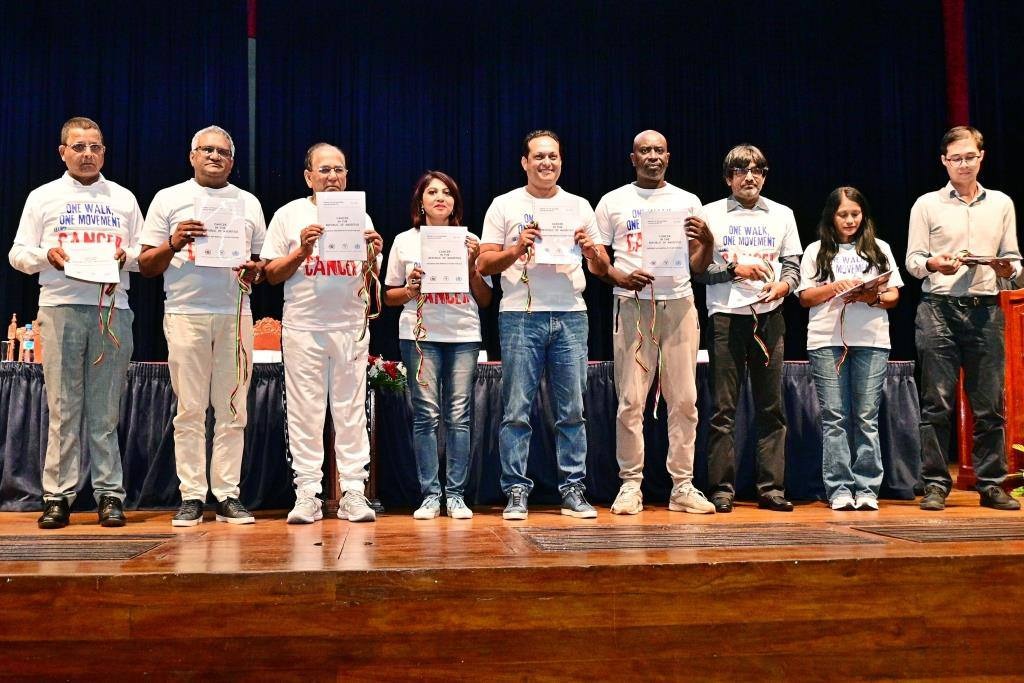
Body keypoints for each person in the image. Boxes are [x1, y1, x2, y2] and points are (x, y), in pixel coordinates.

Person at [9, 116, 142, 529]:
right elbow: (17, 254)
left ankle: (109, 494)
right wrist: (45, 256)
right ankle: (58, 497)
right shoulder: (43, 197)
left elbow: (144, 253)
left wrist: (127, 257)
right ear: (62, 152)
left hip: (111, 310)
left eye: (95, 147)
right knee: (63, 409)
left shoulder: (123, 198)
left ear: (104, 152)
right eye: (79, 147)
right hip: (60, 308)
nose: (87, 154)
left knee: (106, 412)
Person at [138, 125, 267, 526]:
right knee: (190, 410)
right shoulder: (169, 198)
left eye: (222, 152)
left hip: (235, 313)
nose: (214, 156)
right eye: (207, 150)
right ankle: (192, 495)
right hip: (184, 313)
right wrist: (174, 242)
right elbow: (146, 265)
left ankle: (227, 494)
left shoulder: (248, 203)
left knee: (233, 408)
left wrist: (254, 271)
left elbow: (261, 265)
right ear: (192, 156)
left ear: (232, 161)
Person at [478, 129, 610, 520]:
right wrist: (517, 249)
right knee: (517, 410)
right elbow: (484, 263)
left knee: (572, 410)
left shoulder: (579, 206)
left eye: (553, 156)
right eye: (538, 156)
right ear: (525, 162)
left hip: (571, 314)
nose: (546, 163)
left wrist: (591, 251)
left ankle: (573, 490)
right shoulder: (504, 205)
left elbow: (601, 267)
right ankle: (516, 490)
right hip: (520, 315)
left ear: (561, 161)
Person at [593, 130, 715, 515]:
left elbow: (699, 266)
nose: (652, 156)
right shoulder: (613, 201)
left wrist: (708, 242)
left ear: (668, 156)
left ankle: (682, 486)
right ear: (633, 158)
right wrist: (618, 276)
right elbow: (597, 262)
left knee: (686, 400)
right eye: (644, 150)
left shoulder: (687, 201)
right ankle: (631, 484)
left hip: (679, 304)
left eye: (659, 150)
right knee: (631, 400)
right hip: (632, 304)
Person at [261, 142, 382, 524]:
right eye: (324, 170)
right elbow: (270, 273)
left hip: (349, 327)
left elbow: (368, 278)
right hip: (304, 327)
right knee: (305, 413)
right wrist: (302, 251)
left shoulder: (360, 215)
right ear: (308, 176)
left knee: (351, 413)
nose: (332, 176)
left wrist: (373, 256)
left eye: (339, 170)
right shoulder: (288, 215)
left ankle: (353, 492)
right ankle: (308, 494)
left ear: (346, 176)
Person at [906, 125, 1021, 511]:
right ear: (944, 161)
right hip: (938, 308)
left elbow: (1015, 262)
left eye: (970, 156)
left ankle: (991, 484)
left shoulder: (1001, 203)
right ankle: (936, 484)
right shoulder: (927, 204)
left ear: (981, 157)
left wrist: (1008, 269)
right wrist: (934, 264)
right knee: (936, 402)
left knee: (989, 404)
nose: (964, 164)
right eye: (956, 158)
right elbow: (913, 262)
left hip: (986, 309)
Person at [697, 144, 802, 513]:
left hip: (770, 316)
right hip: (726, 317)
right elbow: (698, 271)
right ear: (729, 178)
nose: (750, 177)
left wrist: (784, 287)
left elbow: (792, 266)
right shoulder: (709, 213)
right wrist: (732, 270)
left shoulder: (783, 214)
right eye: (741, 171)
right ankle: (721, 490)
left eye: (757, 170)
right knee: (723, 409)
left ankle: (771, 489)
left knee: (771, 408)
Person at [384, 171, 493, 520]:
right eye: (432, 192)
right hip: (420, 334)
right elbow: (389, 296)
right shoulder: (404, 241)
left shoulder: (471, 241)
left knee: (459, 415)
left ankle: (456, 495)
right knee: (426, 415)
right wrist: (410, 289)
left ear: (455, 202)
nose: (440, 197)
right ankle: (431, 495)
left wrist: (472, 267)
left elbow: (485, 299)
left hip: (462, 334)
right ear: (421, 201)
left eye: (447, 192)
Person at [798, 187, 903, 511]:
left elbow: (893, 295)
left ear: (863, 215)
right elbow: (805, 297)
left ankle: (867, 488)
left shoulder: (880, 249)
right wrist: (834, 288)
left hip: (871, 340)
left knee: (866, 416)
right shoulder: (816, 250)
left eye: (855, 214)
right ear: (831, 216)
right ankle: (840, 488)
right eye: (843, 214)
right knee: (835, 417)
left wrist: (871, 295)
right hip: (826, 341)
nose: (849, 220)